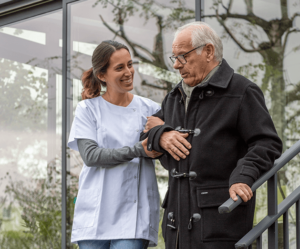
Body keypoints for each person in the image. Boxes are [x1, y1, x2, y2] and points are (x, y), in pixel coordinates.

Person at [141, 22, 282, 249]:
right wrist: (162, 135)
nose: (177, 65)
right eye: (174, 58)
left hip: (218, 222)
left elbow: (266, 143)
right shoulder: (174, 97)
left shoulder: (242, 91)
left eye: (183, 56)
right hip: (176, 226)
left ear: (208, 51)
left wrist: (243, 175)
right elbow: (146, 137)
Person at [68, 40, 163, 249]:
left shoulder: (150, 109)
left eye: (130, 64)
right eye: (119, 68)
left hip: (134, 215)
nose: (128, 72)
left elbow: (163, 150)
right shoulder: (88, 109)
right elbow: (91, 157)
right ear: (102, 75)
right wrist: (138, 150)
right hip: (95, 213)